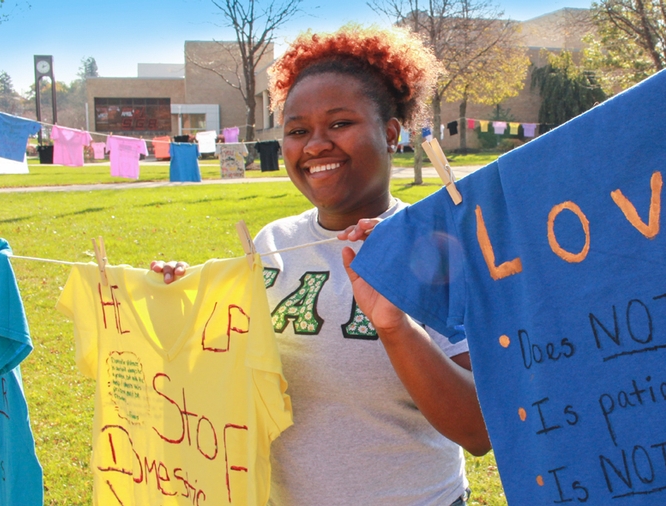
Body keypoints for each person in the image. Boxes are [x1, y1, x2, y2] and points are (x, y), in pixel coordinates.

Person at [152, 25, 490, 505]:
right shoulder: (273, 242)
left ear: (391, 133)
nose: (314, 146)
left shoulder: (435, 250)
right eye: (297, 131)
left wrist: (395, 325)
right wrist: (186, 299)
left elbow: (478, 431)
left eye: (339, 124)